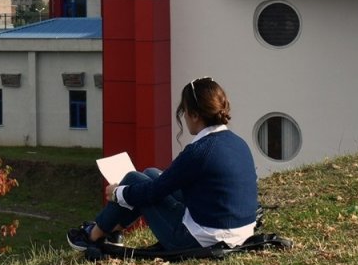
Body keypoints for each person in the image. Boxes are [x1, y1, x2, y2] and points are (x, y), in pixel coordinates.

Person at [67, 77, 259, 253]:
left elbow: (153, 192)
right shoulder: (237, 142)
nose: (183, 117)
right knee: (150, 173)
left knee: (134, 179)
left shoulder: (199, 151)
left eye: (184, 111)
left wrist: (118, 193)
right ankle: (113, 231)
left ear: (194, 115)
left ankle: (93, 235)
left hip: (201, 240)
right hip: (239, 231)